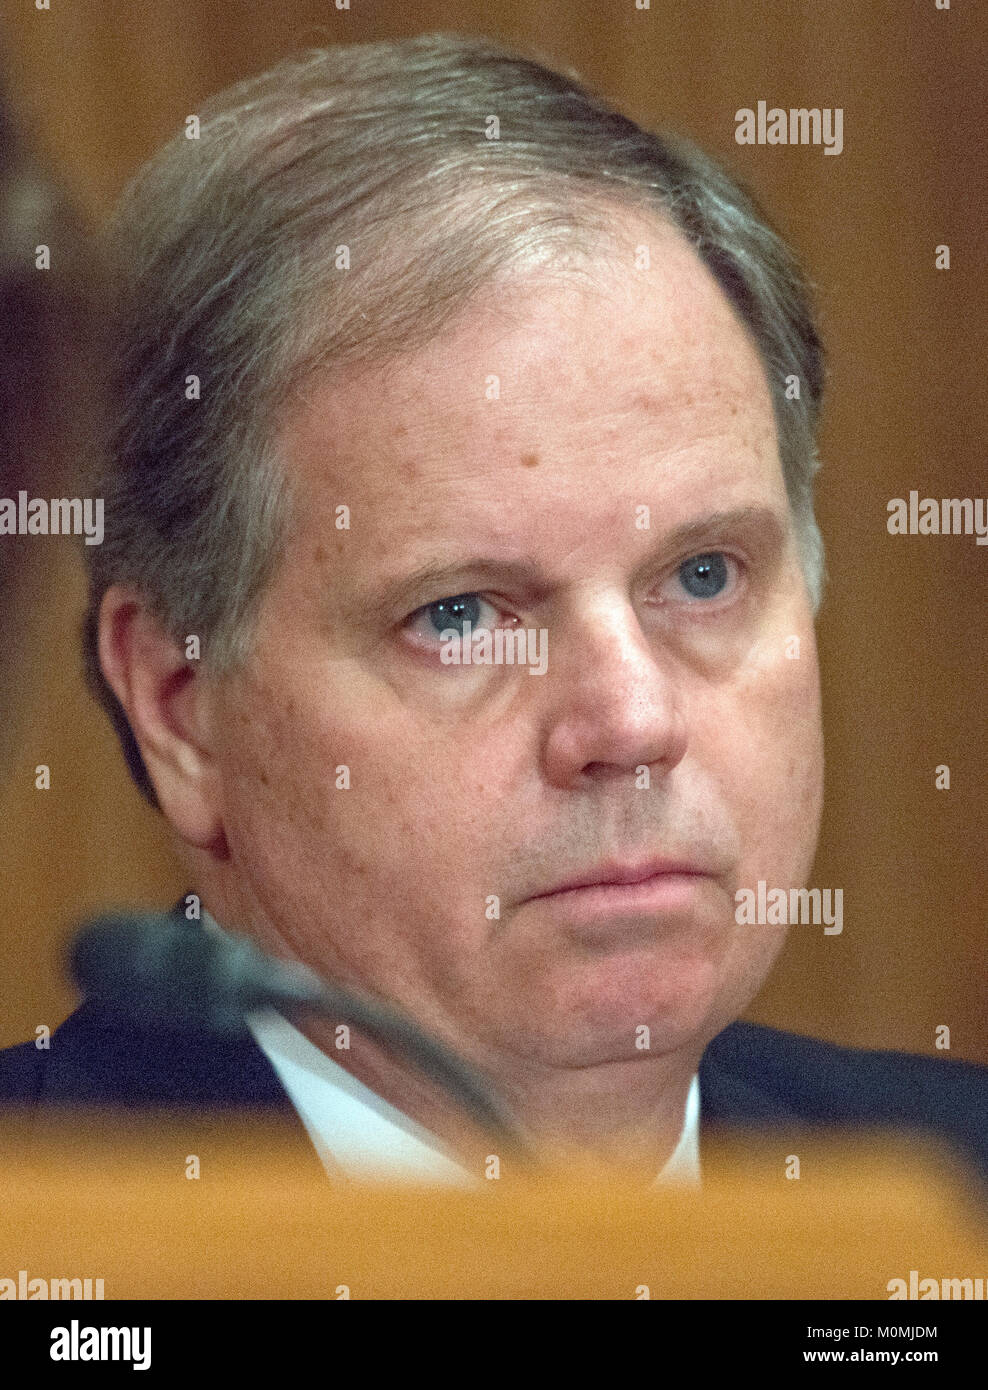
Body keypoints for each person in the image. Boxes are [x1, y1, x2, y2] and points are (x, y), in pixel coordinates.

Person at [1, 34, 984, 1189]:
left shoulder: (943, 1203)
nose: (630, 722)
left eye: (703, 575)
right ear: (180, 709)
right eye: (462, 615)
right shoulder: (49, 1231)